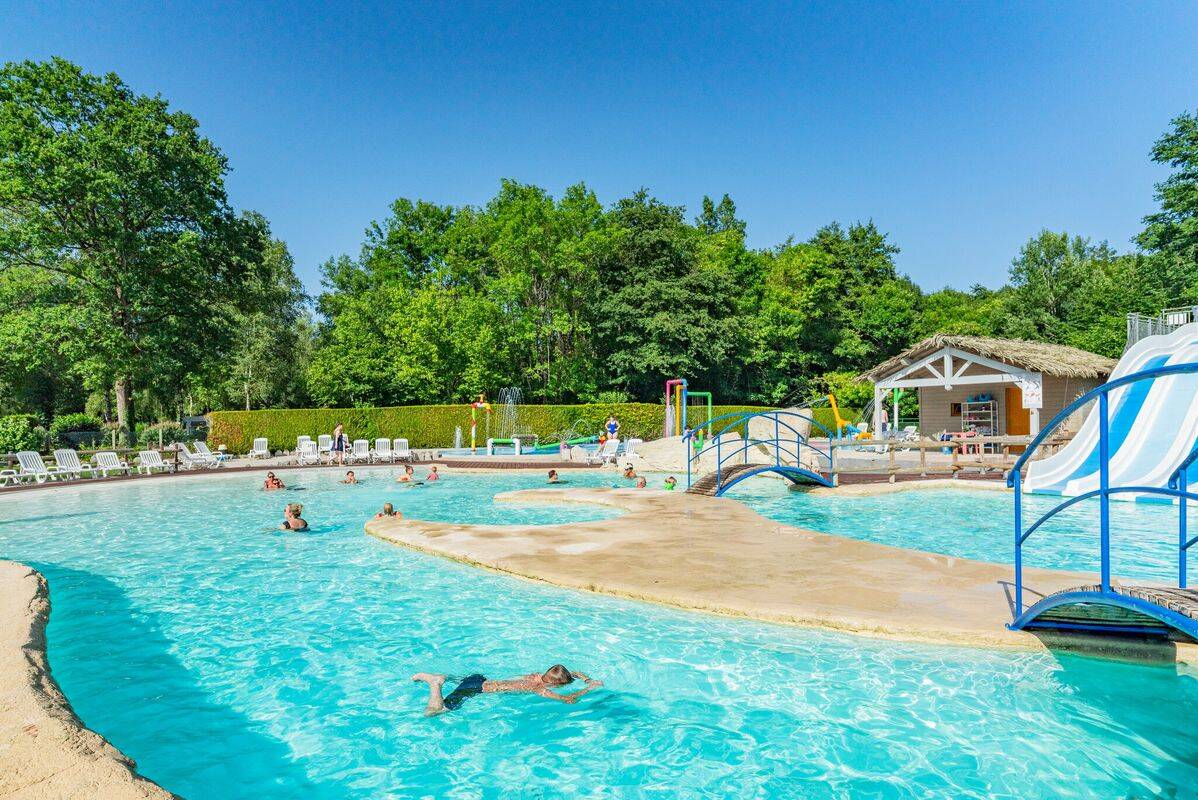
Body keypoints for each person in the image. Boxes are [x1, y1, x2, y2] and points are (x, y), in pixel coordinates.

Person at [411, 665, 602, 715]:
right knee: (435, 712)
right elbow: (569, 699)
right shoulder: (538, 687)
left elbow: (574, 672)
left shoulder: (536, 676)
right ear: (555, 684)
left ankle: (442, 677)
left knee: (462, 681)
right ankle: (434, 682)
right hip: (476, 688)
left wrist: (586, 678)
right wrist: (589, 688)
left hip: (478, 678)